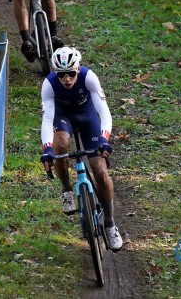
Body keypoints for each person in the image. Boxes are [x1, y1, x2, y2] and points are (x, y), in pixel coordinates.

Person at [39, 47, 124, 251]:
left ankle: (110, 224)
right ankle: (67, 190)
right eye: (62, 75)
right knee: (60, 146)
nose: (67, 79)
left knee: (101, 173)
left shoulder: (89, 78)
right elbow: (48, 119)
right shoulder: (49, 84)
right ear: (55, 73)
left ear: (78, 69)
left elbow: (104, 112)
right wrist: (47, 149)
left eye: (71, 74)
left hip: (87, 118)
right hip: (63, 118)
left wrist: (104, 140)